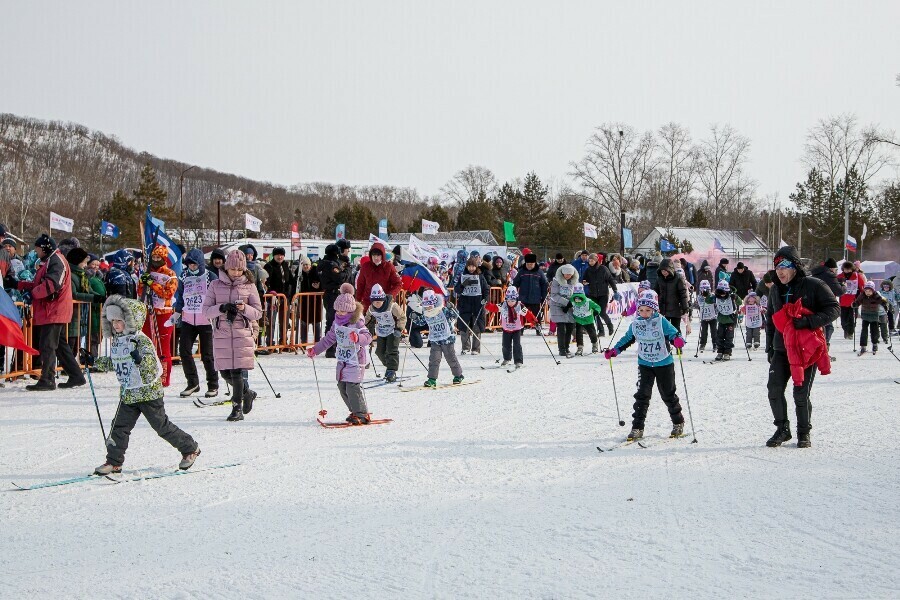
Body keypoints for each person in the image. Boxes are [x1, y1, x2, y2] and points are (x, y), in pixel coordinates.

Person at [92, 295, 200, 475]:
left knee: (161, 426)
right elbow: (116, 361)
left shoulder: (141, 340)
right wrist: (96, 362)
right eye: (113, 321)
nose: (116, 325)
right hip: (129, 393)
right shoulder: (119, 340)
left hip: (148, 393)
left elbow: (152, 367)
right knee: (119, 427)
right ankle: (113, 461)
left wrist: (140, 360)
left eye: (120, 321)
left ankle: (190, 448)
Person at [765, 246, 839, 448]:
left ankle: (804, 432)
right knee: (774, 389)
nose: (780, 271)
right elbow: (771, 320)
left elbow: (834, 309)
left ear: (795, 267)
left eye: (785, 265)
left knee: (800, 393)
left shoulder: (814, 285)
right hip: (781, 348)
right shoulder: (775, 289)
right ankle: (782, 429)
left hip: (806, 349)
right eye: (777, 266)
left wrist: (809, 321)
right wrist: (769, 347)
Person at [604, 290, 687, 442]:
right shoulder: (636, 323)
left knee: (668, 395)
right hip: (645, 363)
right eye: (641, 310)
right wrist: (615, 350)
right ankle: (637, 427)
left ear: (654, 309)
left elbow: (674, 334)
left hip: (664, 363)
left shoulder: (661, 321)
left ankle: (678, 422)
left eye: (648, 310)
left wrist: (677, 340)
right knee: (642, 396)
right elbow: (627, 338)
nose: (644, 313)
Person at [202, 249, 263, 422]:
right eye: (233, 269)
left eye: (239, 270)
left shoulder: (249, 286)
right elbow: (205, 311)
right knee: (224, 372)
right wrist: (221, 308)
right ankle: (247, 392)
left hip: (241, 333)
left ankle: (237, 408)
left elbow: (258, 312)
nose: (236, 273)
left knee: (237, 372)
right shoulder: (215, 285)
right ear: (226, 268)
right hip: (222, 332)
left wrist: (244, 309)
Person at [19, 234, 85, 391]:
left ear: (45, 248)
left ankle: (47, 379)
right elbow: (40, 283)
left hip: (54, 310)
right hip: (54, 309)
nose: (36, 252)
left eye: (37, 249)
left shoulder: (56, 260)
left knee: (47, 345)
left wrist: (33, 293)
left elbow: (52, 284)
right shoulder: (51, 260)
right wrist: (20, 285)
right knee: (60, 345)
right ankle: (76, 375)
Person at [307, 283, 374, 424]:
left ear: (350, 311)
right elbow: (329, 339)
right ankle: (354, 410)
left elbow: (368, 337)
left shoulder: (357, 323)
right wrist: (316, 349)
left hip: (356, 359)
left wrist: (358, 338)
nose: (339, 314)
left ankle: (361, 413)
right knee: (341, 385)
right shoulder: (336, 323)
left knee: (352, 386)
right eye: (337, 311)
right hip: (343, 359)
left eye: (343, 311)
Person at [173, 249, 219, 398]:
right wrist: (177, 312)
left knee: (207, 355)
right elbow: (180, 296)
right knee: (184, 350)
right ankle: (192, 383)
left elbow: (217, 296)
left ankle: (213, 385)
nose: (192, 267)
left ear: (200, 264)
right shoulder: (184, 276)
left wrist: (218, 312)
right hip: (188, 320)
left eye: (194, 265)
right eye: (189, 265)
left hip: (205, 320)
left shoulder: (209, 276)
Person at [137, 245, 178, 387]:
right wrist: (143, 282)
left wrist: (152, 283)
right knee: (147, 344)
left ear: (163, 258)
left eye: (158, 257)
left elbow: (168, 293)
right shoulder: (147, 272)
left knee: (163, 347)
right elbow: (140, 291)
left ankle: (164, 378)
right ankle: (148, 374)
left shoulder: (170, 274)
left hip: (164, 314)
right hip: (148, 311)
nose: (155, 260)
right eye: (153, 257)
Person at [419, 289, 464, 387]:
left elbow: (455, 315)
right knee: (434, 359)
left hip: (447, 338)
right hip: (435, 340)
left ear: (434, 303)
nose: (428, 308)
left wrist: (452, 308)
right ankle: (432, 379)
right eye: (426, 306)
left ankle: (458, 375)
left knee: (450, 358)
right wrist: (414, 317)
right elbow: (421, 323)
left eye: (429, 305)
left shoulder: (442, 310)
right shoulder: (426, 313)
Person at [66, 247, 104, 358]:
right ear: (77, 261)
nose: (85, 265)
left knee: (77, 344)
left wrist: (100, 298)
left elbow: (89, 290)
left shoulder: (82, 276)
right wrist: (93, 298)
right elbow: (74, 294)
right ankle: (67, 367)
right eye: (84, 262)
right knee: (71, 344)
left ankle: (71, 368)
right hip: (72, 315)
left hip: (81, 315)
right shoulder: (71, 276)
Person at [364, 283, 406, 382]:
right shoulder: (371, 308)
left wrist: (399, 329)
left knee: (391, 351)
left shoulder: (392, 306)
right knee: (379, 352)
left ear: (383, 299)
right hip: (381, 331)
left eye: (379, 302)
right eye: (374, 302)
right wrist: (361, 326)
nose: (377, 304)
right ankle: (390, 366)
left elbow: (402, 317)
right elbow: (367, 319)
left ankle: (391, 371)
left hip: (393, 331)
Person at [491, 285, 534, 368]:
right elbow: (494, 308)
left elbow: (528, 314)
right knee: (505, 345)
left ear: (516, 299)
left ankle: (518, 361)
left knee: (517, 345)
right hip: (506, 329)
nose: (510, 303)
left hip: (517, 329)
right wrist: (486, 305)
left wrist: (535, 321)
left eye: (513, 300)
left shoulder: (520, 306)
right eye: (509, 300)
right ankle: (506, 359)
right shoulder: (503, 305)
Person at [454, 256, 490, 355]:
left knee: (476, 327)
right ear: (466, 266)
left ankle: (476, 349)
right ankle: (465, 347)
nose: (471, 268)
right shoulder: (463, 276)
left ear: (476, 267)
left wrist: (485, 299)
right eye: (469, 266)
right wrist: (463, 285)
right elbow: (457, 289)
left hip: (477, 304)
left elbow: (486, 289)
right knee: (464, 327)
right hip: (465, 304)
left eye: (473, 266)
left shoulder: (480, 276)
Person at [354, 241, 402, 312]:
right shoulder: (365, 267)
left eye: (378, 255)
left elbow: (398, 283)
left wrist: (389, 296)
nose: (376, 258)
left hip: (385, 303)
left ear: (382, 255)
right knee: (368, 322)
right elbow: (360, 284)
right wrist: (357, 301)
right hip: (368, 303)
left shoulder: (389, 267)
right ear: (370, 255)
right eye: (373, 255)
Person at [581, 253, 620, 337]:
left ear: (596, 261)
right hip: (593, 294)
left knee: (602, 312)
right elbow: (584, 279)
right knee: (595, 313)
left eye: (592, 261)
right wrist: (584, 282)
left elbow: (610, 280)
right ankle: (601, 331)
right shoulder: (588, 270)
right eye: (590, 261)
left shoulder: (603, 269)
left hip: (603, 294)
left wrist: (615, 290)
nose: (591, 262)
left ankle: (610, 325)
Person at [809, 257, 842, 350]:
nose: (835, 272)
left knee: (818, 326)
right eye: (835, 270)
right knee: (828, 327)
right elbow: (839, 291)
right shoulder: (829, 275)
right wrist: (843, 286)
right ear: (831, 268)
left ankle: (818, 346)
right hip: (825, 304)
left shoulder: (815, 274)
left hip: (813, 303)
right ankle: (823, 348)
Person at [512, 252, 548, 335]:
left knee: (536, 315)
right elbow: (515, 283)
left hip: (535, 297)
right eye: (528, 264)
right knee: (522, 314)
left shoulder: (539, 272)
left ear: (534, 263)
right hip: (523, 297)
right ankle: (520, 330)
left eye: (531, 264)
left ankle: (538, 330)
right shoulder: (522, 272)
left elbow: (544, 284)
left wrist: (544, 296)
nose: (529, 266)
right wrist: (514, 292)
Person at [652, 258, 689, 335]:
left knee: (675, 328)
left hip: (675, 308)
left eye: (665, 270)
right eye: (662, 271)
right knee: (664, 329)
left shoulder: (678, 278)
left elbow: (683, 294)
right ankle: (666, 346)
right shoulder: (659, 279)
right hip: (663, 309)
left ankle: (678, 345)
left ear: (670, 269)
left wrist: (685, 307)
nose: (664, 272)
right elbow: (655, 292)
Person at [706, 280, 740, 361]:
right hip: (721, 320)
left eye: (723, 293)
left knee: (729, 337)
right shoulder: (716, 297)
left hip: (731, 320)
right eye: (720, 293)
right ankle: (720, 351)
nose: (722, 295)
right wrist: (707, 295)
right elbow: (708, 301)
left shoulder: (731, 296)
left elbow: (740, 302)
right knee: (720, 336)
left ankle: (727, 352)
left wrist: (736, 297)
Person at [549, 264, 577, 358]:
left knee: (570, 327)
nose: (568, 276)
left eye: (570, 274)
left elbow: (573, 294)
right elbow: (554, 295)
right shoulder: (556, 281)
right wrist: (566, 302)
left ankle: (567, 347)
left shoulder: (573, 282)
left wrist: (572, 302)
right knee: (561, 328)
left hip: (568, 306)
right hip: (557, 305)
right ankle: (562, 349)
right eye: (566, 274)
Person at [853, 281, 888, 355]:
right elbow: (858, 301)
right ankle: (863, 346)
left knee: (874, 331)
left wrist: (885, 305)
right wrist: (855, 304)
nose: (868, 292)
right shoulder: (862, 295)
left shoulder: (876, 295)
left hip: (874, 316)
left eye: (869, 291)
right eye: (866, 291)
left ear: (873, 290)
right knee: (864, 331)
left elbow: (882, 301)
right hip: (865, 315)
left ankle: (875, 344)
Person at [570, 284, 603, 355]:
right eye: (576, 298)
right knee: (578, 334)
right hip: (578, 319)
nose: (577, 300)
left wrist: (596, 311)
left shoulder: (588, 301)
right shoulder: (572, 300)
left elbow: (597, 307)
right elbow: (569, 304)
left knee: (592, 333)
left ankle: (594, 345)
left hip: (588, 319)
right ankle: (580, 347)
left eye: (579, 298)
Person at [296, 256, 323, 344]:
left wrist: (319, 287)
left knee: (316, 323)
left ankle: (317, 342)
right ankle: (303, 342)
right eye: (303, 265)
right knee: (304, 322)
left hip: (315, 301)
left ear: (310, 265)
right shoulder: (298, 274)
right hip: (304, 302)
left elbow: (323, 284)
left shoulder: (316, 273)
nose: (305, 267)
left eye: (307, 265)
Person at [836, 261, 865, 339]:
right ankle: (846, 330)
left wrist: (862, 296)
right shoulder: (839, 276)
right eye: (846, 269)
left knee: (852, 319)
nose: (847, 271)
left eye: (849, 269)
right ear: (843, 269)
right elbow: (835, 287)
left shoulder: (857, 276)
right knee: (843, 320)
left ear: (852, 269)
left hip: (854, 301)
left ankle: (850, 332)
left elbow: (862, 286)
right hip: (843, 301)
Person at [697, 280, 718, 353]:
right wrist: (704, 296)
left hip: (713, 317)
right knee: (704, 332)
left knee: (714, 331)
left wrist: (709, 296)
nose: (705, 291)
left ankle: (715, 344)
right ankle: (702, 344)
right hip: (704, 317)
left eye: (707, 289)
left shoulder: (712, 295)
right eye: (703, 289)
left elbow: (715, 302)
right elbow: (700, 304)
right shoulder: (699, 297)